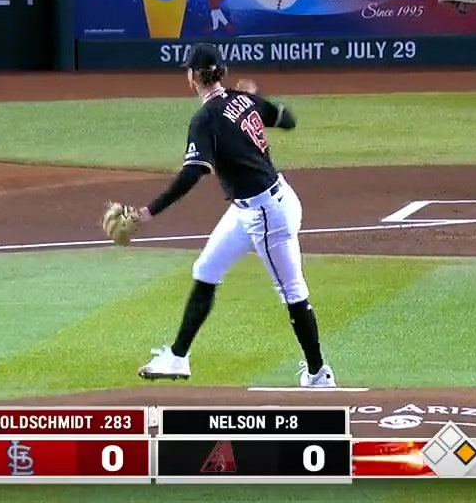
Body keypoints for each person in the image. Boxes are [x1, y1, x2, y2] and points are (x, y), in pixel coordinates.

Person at [134, 43, 336, 388]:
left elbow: (192, 174)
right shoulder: (243, 100)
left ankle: (319, 373)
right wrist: (254, 100)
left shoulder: (206, 118)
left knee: (291, 290)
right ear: (222, 73)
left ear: (192, 78)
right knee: (206, 269)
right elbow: (287, 119)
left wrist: (148, 212)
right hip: (255, 206)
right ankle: (178, 357)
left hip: (266, 214)